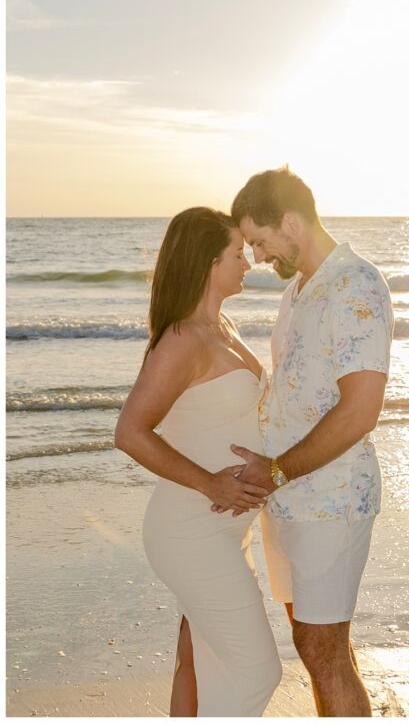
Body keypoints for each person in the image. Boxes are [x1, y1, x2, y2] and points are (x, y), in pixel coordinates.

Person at [224, 167, 394, 717]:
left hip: (332, 500)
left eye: (260, 240)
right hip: (291, 498)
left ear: (291, 223)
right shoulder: (298, 291)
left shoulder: (356, 285)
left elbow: (359, 411)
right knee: (315, 644)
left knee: (323, 650)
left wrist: (276, 470)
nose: (257, 255)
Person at [114, 207, 282, 716]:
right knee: (258, 671)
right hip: (190, 531)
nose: (247, 262)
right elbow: (130, 432)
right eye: (236, 254)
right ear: (208, 263)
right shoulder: (184, 338)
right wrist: (211, 483)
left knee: (204, 663)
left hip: (226, 533)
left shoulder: (222, 326)